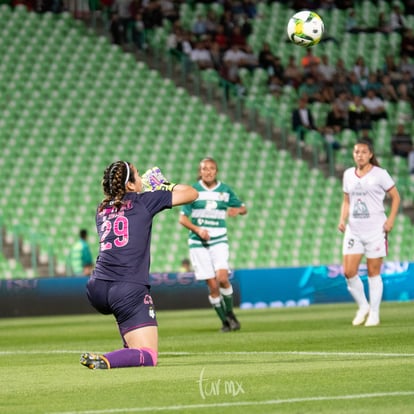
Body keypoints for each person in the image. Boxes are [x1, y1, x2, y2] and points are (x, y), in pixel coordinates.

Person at [80, 161, 198, 369]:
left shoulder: (101, 209)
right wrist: (163, 185)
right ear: (130, 185)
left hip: (97, 287)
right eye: (137, 175)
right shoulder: (143, 201)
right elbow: (191, 193)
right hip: (126, 288)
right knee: (149, 355)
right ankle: (106, 360)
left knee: (134, 346)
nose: (141, 178)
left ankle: (126, 351)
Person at [179, 158, 247, 332]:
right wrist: (198, 230)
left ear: (216, 171)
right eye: (204, 168)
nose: (208, 171)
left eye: (211, 168)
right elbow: (182, 218)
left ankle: (230, 313)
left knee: (223, 278)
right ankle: (225, 321)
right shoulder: (192, 192)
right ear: (200, 171)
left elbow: (243, 208)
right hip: (198, 242)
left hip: (219, 239)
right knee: (212, 285)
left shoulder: (225, 191)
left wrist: (237, 210)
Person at [338, 140, 400, 327]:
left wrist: (390, 220)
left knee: (373, 272)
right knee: (348, 272)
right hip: (354, 230)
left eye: (364, 152)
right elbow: (347, 200)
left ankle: (374, 313)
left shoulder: (380, 174)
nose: (360, 155)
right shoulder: (348, 174)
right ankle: (363, 306)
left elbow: (396, 197)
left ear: (371, 154)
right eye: (357, 152)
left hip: (375, 230)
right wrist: (342, 218)